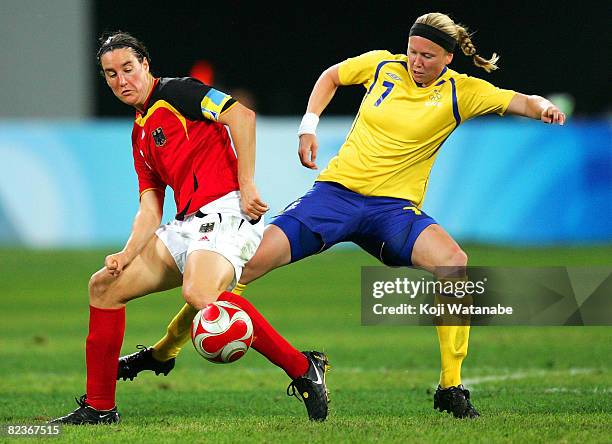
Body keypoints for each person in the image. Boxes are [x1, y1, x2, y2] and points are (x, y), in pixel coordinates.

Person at [117, 12, 566, 419]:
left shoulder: (461, 92)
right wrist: (309, 124)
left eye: (428, 55)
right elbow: (331, 76)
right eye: (412, 51)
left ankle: (451, 387)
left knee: (455, 264)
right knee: (240, 266)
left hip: (393, 211)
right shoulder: (382, 66)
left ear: (447, 58)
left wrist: (543, 107)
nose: (416, 61)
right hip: (334, 197)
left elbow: (518, 101)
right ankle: (163, 351)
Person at [49, 31, 330, 425]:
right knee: (104, 287)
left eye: (128, 69)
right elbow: (150, 207)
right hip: (187, 224)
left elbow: (241, 116)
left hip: (228, 211)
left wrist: (247, 183)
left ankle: (303, 368)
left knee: (199, 292)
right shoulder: (141, 132)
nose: (121, 80)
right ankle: (99, 408)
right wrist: (126, 254)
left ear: (145, 65)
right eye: (111, 74)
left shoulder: (177, 93)